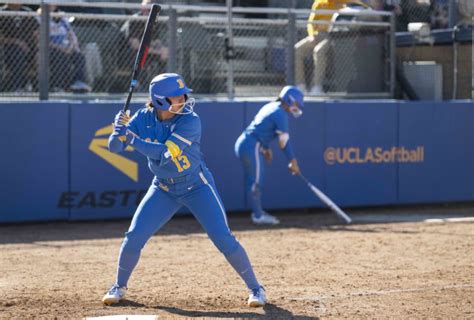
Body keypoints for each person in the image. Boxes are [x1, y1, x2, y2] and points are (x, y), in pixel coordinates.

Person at [102, 73, 266, 308]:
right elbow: (114, 146)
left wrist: (130, 137)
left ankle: (256, 289)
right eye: (177, 97)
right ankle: (119, 286)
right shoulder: (143, 117)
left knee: (223, 238)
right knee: (134, 237)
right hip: (164, 188)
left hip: (196, 186)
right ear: (160, 100)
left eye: (182, 95)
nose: (183, 99)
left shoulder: (190, 121)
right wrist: (118, 129)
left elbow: (162, 154)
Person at [234, 86, 304, 225]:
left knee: (256, 180)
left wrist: (265, 148)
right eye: (296, 103)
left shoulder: (272, 106)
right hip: (251, 146)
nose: (296, 107)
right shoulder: (280, 113)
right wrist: (292, 161)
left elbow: (261, 129)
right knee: (256, 181)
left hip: (248, 144)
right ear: (289, 100)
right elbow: (283, 143)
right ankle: (258, 216)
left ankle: (258, 212)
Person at [294, 0, 369, 94]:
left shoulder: (345, 2)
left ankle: (316, 87)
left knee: (319, 51)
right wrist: (312, 35)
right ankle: (300, 86)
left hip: (333, 36)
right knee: (297, 49)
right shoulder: (319, 3)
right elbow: (311, 22)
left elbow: (362, 6)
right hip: (316, 35)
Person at [37, 5, 91, 92]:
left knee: (79, 56)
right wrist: (59, 47)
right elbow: (40, 39)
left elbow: (71, 34)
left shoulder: (62, 16)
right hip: (50, 48)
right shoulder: (39, 17)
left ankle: (78, 82)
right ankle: (59, 86)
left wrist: (71, 46)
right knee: (60, 56)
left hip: (66, 46)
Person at [119, 0, 168, 91]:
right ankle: (137, 85)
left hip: (146, 51)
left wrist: (162, 50)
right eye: (147, 9)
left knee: (164, 56)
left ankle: (161, 84)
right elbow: (135, 45)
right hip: (126, 53)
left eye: (152, 10)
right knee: (139, 54)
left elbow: (156, 41)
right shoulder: (135, 20)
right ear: (142, 9)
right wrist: (157, 51)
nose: (149, 12)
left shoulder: (153, 22)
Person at [0, 3, 39, 92]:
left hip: (30, 49)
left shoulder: (27, 12)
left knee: (43, 57)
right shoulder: (2, 13)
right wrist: (17, 42)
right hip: (7, 49)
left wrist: (38, 50)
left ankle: (43, 89)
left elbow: (37, 33)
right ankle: (17, 87)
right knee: (17, 53)